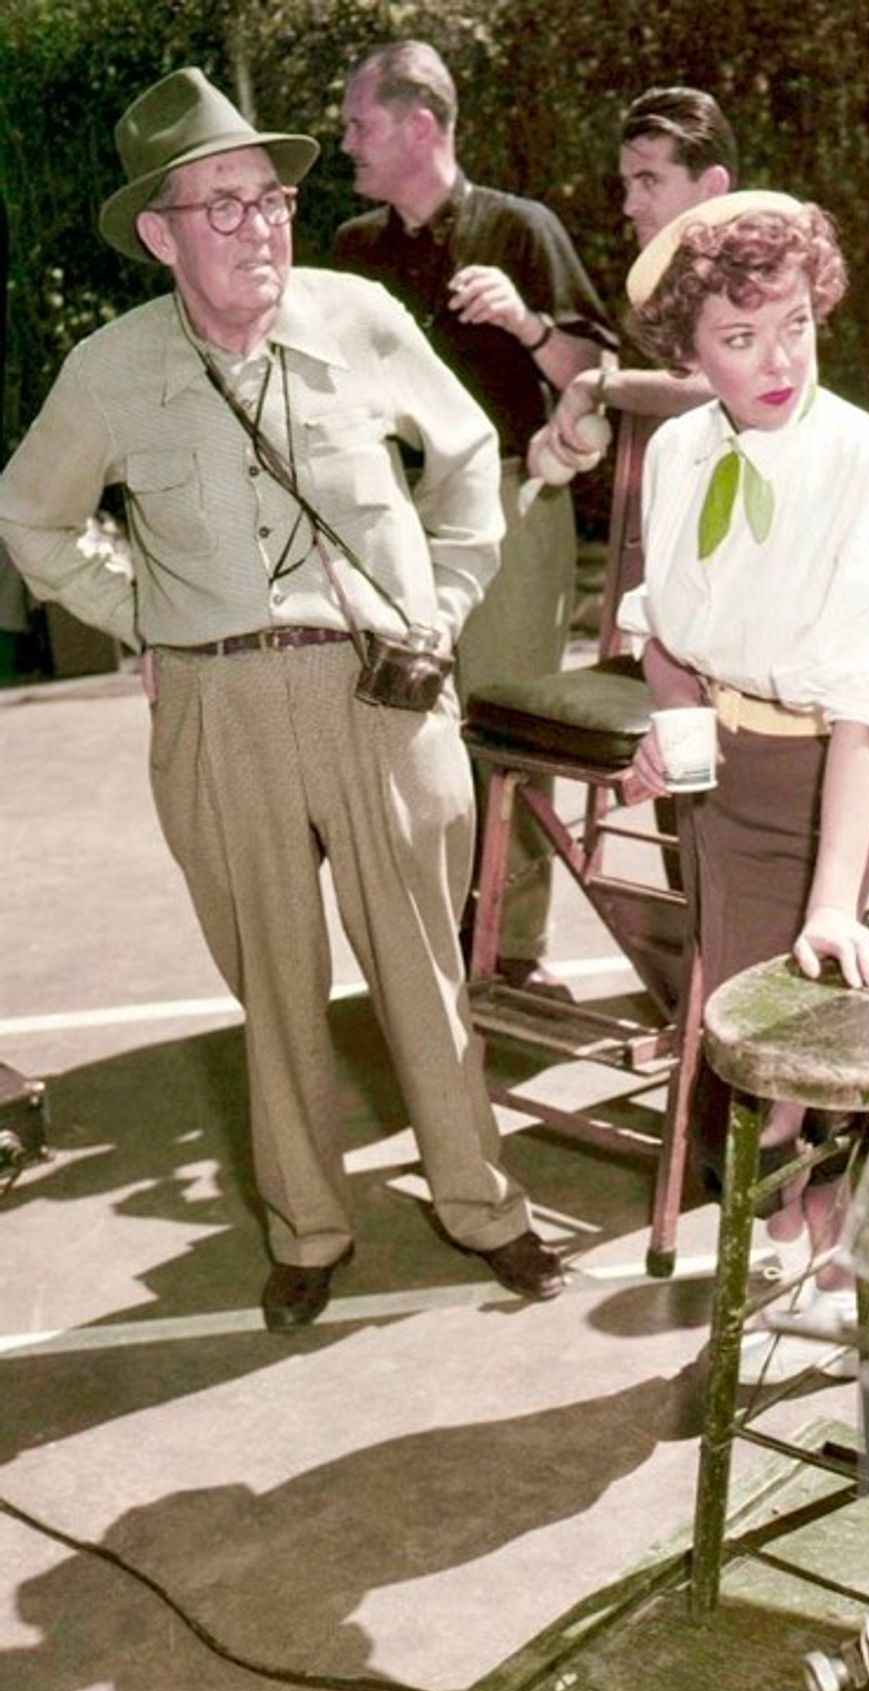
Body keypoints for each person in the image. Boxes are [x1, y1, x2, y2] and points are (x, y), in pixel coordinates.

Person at [0, 68, 565, 1327]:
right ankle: (308, 1225)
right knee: (274, 980)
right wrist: (140, 608)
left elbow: (469, 454)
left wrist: (448, 596)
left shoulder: (360, 316)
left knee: (425, 966)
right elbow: (31, 514)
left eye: (271, 200)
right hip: (216, 710)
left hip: (379, 691)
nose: (260, 227)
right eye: (223, 207)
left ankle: (484, 1204)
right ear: (160, 234)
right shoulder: (107, 370)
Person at [615, 191, 869, 1341]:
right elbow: (665, 642)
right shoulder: (675, 448)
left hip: (819, 791)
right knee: (743, 1036)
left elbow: (861, 722)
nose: (777, 360)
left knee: (790, 1045)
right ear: (689, 350)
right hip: (718, 787)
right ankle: (803, 1245)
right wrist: (678, 738)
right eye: (739, 338)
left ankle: (822, 1255)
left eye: (796, 323)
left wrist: (830, 905)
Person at [334, 41, 613, 991]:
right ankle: (430, 945)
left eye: (358, 124)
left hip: (508, 505)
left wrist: (529, 325)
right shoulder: (352, 253)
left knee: (510, 728)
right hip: (387, 516)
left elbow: (593, 379)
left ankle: (513, 951)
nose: (344, 145)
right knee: (401, 738)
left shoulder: (522, 230)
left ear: (421, 125)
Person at [541, 86, 739, 480]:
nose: (630, 206)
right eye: (628, 184)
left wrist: (597, 386)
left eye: (650, 181)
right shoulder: (664, 284)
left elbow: (726, 388)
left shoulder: (754, 273)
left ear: (713, 187)